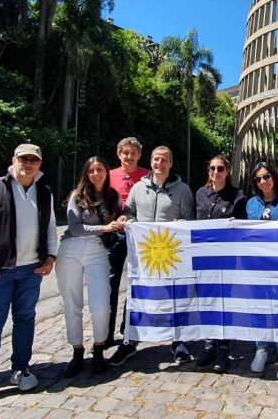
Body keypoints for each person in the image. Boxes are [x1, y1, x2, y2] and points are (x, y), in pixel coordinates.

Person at [0, 143, 59, 411]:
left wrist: (50, 256)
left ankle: (21, 368)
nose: (28, 164)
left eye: (33, 160)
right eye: (23, 159)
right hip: (0, 269)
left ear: (39, 164)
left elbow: (50, 227)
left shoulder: (44, 192)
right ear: (13, 160)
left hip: (31, 270)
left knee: (25, 319)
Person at [108, 145, 196, 366]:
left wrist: (181, 224)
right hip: (143, 254)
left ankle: (178, 341)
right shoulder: (139, 188)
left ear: (171, 163)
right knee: (137, 293)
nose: (160, 163)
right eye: (156, 159)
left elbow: (189, 218)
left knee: (174, 296)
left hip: (170, 253)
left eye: (164, 160)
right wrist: (126, 220)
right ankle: (130, 339)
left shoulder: (183, 189)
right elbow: (128, 212)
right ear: (151, 161)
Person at [56, 156, 125, 377]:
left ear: (106, 172)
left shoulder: (113, 196)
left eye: (100, 170)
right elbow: (75, 228)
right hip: (71, 249)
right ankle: (77, 351)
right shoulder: (77, 196)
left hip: (98, 251)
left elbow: (119, 221)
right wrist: (105, 228)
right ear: (86, 174)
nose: (96, 174)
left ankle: (98, 349)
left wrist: (124, 222)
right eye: (91, 170)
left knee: (100, 304)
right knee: (72, 303)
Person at [245, 161, 278, 381]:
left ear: (274, 177)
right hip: (257, 264)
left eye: (266, 176)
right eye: (258, 179)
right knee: (259, 307)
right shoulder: (251, 204)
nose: (263, 182)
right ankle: (261, 348)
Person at [194, 154, 247, 373]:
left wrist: (238, 224)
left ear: (227, 172)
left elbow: (244, 227)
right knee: (206, 300)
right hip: (203, 257)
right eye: (212, 168)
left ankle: (223, 347)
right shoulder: (200, 194)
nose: (216, 172)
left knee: (224, 302)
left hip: (226, 258)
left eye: (220, 169)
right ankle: (209, 343)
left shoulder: (238, 196)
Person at [106, 137, 150, 344]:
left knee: (135, 282)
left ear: (139, 155)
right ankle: (106, 331)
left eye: (133, 153)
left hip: (138, 236)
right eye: (125, 153)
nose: (129, 156)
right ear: (118, 154)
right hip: (114, 234)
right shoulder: (109, 175)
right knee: (110, 282)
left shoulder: (147, 177)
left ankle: (128, 328)